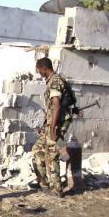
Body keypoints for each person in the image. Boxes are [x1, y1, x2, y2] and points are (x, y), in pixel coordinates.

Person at [32, 57, 77, 197]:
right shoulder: (54, 80)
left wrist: (53, 129)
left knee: (52, 155)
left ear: (44, 68)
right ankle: (44, 183)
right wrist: (46, 125)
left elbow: (57, 106)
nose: (39, 73)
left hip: (56, 125)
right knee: (37, 151)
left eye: (39, 70)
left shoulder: (55, 82)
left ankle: (57, 189)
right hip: (51, 123)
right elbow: (54, 108)